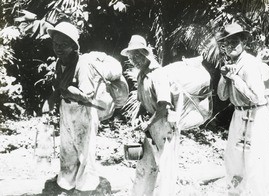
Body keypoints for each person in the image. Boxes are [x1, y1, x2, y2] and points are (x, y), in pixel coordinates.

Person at [42, 21, 110, 195]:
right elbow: (59, 88)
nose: (58, 48)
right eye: (55, 43)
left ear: (73, 46)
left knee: (85, 149)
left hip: (83, 110)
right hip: (66, 109)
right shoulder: (60, 63)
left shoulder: (83, 64)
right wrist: (50, 102)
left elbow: (86, 96)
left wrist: (68, 90)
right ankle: (66, 181)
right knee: (67, 147)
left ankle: (85, 187)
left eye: (63, 44)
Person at [216, 23, 269, 196]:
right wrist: (225, 77)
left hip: (256, 115)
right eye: (227, 43)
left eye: (235, 42)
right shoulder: (230, 65)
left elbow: (257, 97)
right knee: (233, 161)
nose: (231, 46)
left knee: (255, 164)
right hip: (239, 115)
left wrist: (235, 78)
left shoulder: (250, 64)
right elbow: (222, 96)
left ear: (244, 43)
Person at [121, 35, 178, 196]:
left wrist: (149, 123)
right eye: (131, 57)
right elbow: (140, 100)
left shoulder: (157, 74)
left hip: (163, 124)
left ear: (145, 54)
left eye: (137, 56)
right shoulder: (141, 74)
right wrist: (137, 118)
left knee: (166, 167)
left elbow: (164, 106)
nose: (134, 60)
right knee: (145, 165)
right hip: (151, 123)